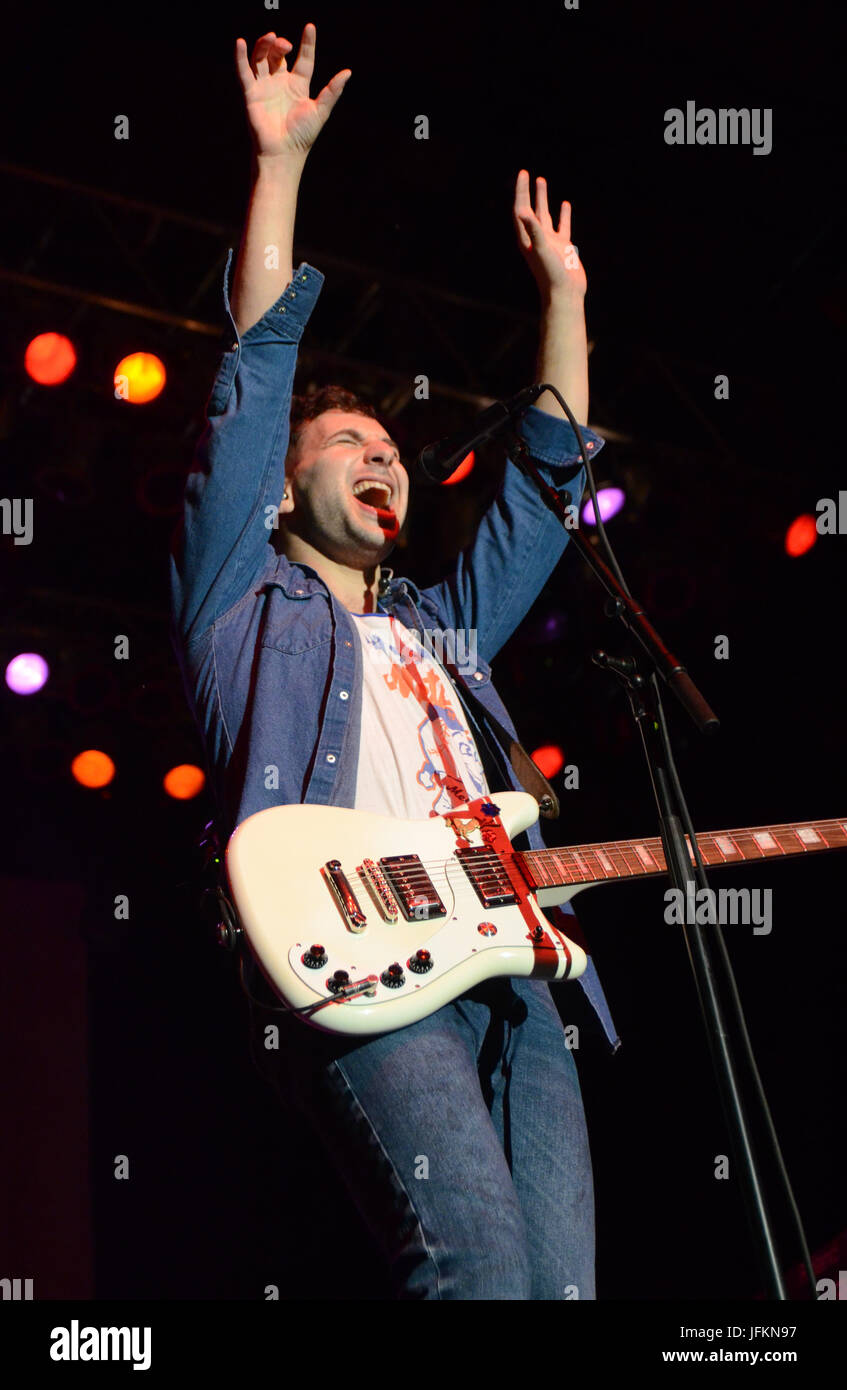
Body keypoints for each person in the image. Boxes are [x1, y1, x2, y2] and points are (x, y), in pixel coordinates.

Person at [170, 23, 620, 1300]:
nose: (383, 458)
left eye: (391, 447)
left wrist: (567, 301)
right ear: (281, 492)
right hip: (363, 949)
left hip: (519, 960)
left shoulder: (437, 622)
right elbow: (254, 380)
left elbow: (541, 494)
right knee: (476, 1275)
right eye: (349, 442)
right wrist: (278, 166)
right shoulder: (239, 601)